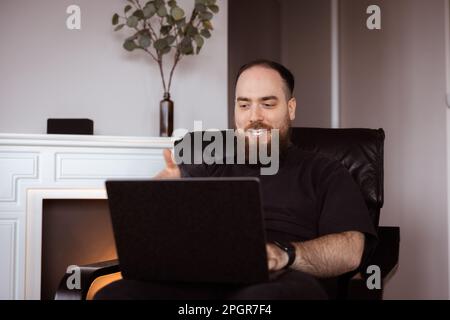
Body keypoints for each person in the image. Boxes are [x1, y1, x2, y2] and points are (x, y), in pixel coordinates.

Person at [95, 60, 377, 300]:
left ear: (290, 108)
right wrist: (156, 202)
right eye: (244, 105)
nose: (254, 117)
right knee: (115, 294)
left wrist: (285, 254)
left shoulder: (324, 171)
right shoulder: (206, 165)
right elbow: (163, 242)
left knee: (260, 301)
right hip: (201, 281)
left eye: (267, 104)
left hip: (281, 280)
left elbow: (351, 249)